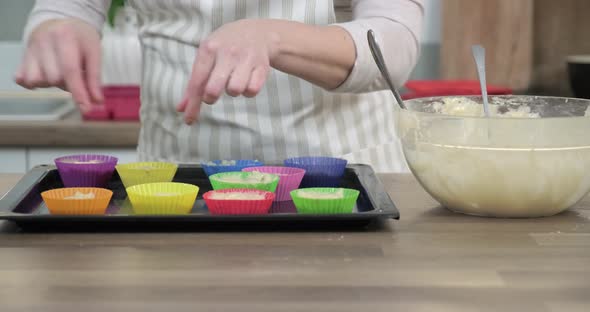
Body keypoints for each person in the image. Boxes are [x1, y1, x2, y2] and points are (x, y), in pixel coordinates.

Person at [16, 0, 423, 172]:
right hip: (176, 181)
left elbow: (395, 39)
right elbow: (69, 6)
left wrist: (275, 38)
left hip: (342, 178)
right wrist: (58, 21)